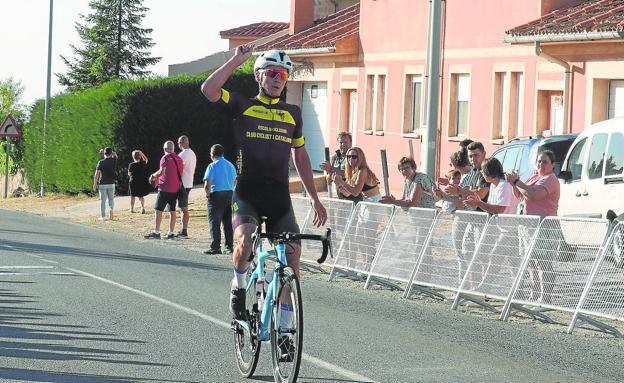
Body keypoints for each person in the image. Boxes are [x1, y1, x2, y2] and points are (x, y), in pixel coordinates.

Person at [201, 44, 327, 322]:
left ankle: (284, 330)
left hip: (279, 196)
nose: (278, 79)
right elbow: (209, 90)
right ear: (258, 76)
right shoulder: (243, 106)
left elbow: (301, 156)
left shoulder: (293, 113)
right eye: (271, 73)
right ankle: (239, 283)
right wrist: (236, 61)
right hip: (248, 192)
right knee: (245, 241)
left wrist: (314, 198)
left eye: (283, 74)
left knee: (293, 260)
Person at [506, 150, 560, 303]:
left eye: (545, 162)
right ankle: (534, 295)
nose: (540, 165)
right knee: (531, 262)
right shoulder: (534, 177)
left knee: (543, 263)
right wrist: (513, 183)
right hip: (527, 226)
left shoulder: (550, 180)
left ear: (552, 165)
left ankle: (545, 298)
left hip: (544, 227)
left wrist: (517, 182)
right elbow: (520, 195)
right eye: (538, 161)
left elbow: (534, 195)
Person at [442, 141, 490, 282]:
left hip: (483, 219)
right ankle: (468, 288)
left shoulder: (485, 172)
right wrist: (443, 194)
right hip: (469, 218)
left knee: (482, 257)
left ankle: (482, 289)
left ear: (484, 154)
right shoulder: (471, 173)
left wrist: (459, 191)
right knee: (466, 253)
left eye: (476, 155)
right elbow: (461, 193)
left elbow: (479, 194)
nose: (473, 159)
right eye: (470, 156)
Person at [144, 141, 185, 240]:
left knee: (158, 210)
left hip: (164, 187)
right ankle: (171, 232)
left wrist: (153, 176)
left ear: (165, 149)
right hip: (175, 189)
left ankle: (156, 232)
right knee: (172, 210)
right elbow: (181, 173)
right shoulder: (179, 159)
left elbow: (162, 171)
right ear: (173, 148)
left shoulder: (165, 158)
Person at [203, 144, 236, 255]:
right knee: (227, 222)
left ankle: (216, 246)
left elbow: (207, 184)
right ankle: (229, 246)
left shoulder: (212, 166)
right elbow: (235, 181)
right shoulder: (230, 165)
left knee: (214, 222)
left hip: (216, 195)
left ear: (212, 154)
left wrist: (208, 195)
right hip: (229, 194)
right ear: (222, 153)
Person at [320, 131, 352, 199]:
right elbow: (330, 174)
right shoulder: (335, 157)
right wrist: (329, 173)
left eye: (345, 142)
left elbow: (348, 173)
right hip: (340, 194)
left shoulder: (353, 157)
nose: (343, 144)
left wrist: (331, 169)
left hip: (352, 195)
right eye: (341, 142)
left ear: (350, 143)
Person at [177, 135, 197, 238]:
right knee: (182, 207)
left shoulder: (183, 154)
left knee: (183, 207)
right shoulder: (192, 153)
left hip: (183, 183)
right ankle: (183, 229)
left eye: (179, 143)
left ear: (184, 143)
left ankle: (184, 230)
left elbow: (179, 169)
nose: (178, 145)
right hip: (189, 182)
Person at [92, 147, 117, 221]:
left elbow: (96, 174)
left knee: (103, 201)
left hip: (102, 183)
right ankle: (111, 209)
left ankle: (103, 216)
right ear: (111, 153)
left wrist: (94, 184)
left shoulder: (101, 162)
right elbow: (114, 154)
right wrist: (106, 151)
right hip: (111, 183)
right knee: (111, 199)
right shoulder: (114, 160)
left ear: (104, 153)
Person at [127, 150, 150, 214]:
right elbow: (146, 159)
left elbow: (129, 174)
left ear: (133, 157)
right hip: (141, 181)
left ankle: (132, 209)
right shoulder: (142, 163)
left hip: (133, 182)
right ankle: (142, 207)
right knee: (141, 196)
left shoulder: (131, 165)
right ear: (140, 157)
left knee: (132, 196)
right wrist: (142, 153)